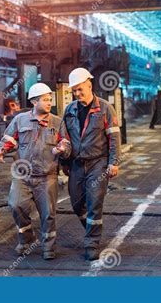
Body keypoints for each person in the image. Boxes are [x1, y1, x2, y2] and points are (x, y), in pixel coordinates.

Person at [0, 83, 71, 260]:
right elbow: (9, 138)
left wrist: (62, 149)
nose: (49, 103)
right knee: (15, 204)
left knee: (48, 214)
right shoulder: (20, 120)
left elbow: (66, 145)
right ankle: (26, 239)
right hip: (23, 175)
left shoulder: (57, 122)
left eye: (50, 99)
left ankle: (49, 247)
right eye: (45, 100)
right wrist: (1, 150)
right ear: (34, 102)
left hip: (47, 175)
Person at [62, 68, 121, 261]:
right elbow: (65, 138)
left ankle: (91, 243)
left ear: (89, 85)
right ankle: (91, 228)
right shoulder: (69, 110)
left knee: (94, 202)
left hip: (98, 163)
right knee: (77, 203)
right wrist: (64, 161)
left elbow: (114, 138)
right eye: (74, 91)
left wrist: (113, 162)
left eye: (80, 89)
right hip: (77, 164)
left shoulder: (104, 109)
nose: (77, 94)